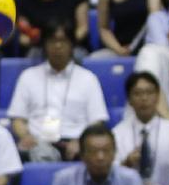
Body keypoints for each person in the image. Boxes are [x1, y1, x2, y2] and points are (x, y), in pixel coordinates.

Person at [8, 20, 109, 162]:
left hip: (76, 144)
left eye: (63, 41)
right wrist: (25, 136)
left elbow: (97, 121)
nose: (58, 46)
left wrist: (81, 141)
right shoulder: (28, 76)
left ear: (72, 45)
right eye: (52, 41)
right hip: (37, 142)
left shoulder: (88, 79)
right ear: (44, 44)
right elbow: (17, 119)